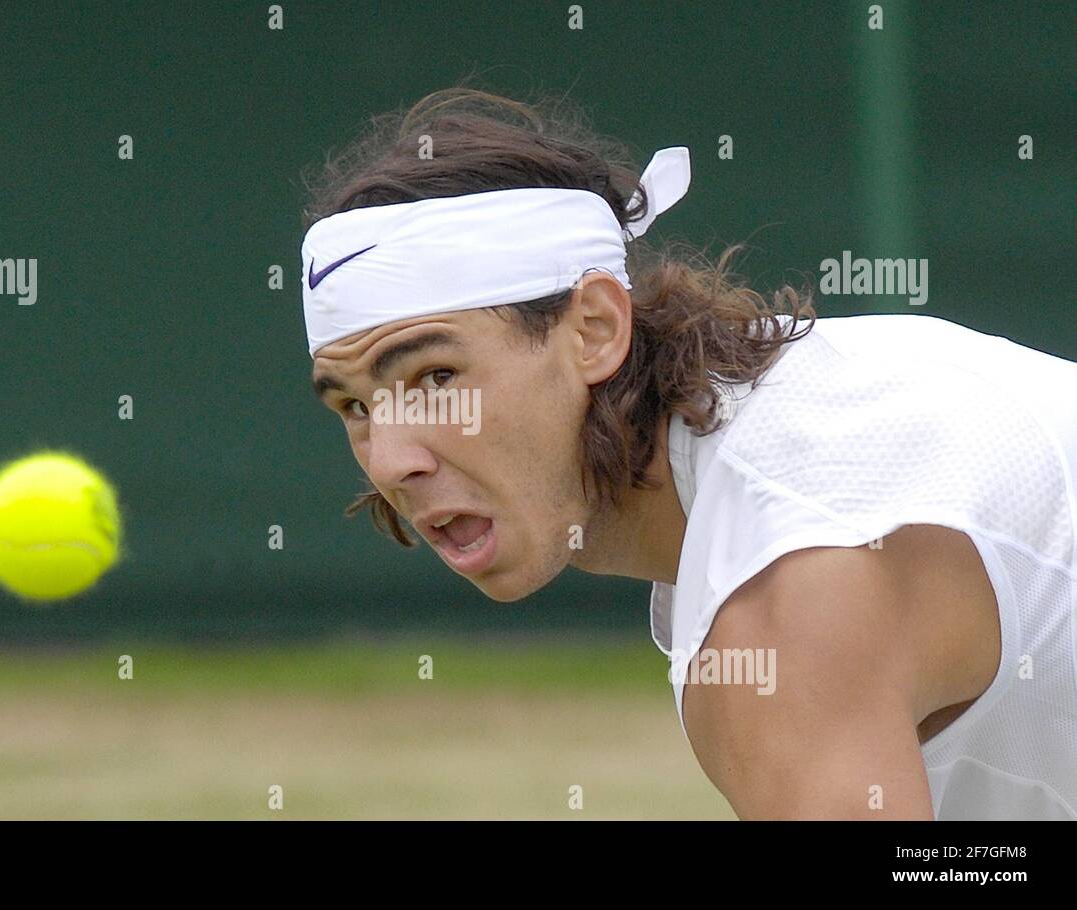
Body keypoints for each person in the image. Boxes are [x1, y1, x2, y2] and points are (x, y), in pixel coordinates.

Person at [299, 87, 1077, 820]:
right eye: (356, 406)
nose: (390, 458)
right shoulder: (795, 432)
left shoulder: (782, 593)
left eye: (437, 376)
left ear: (595, 329)